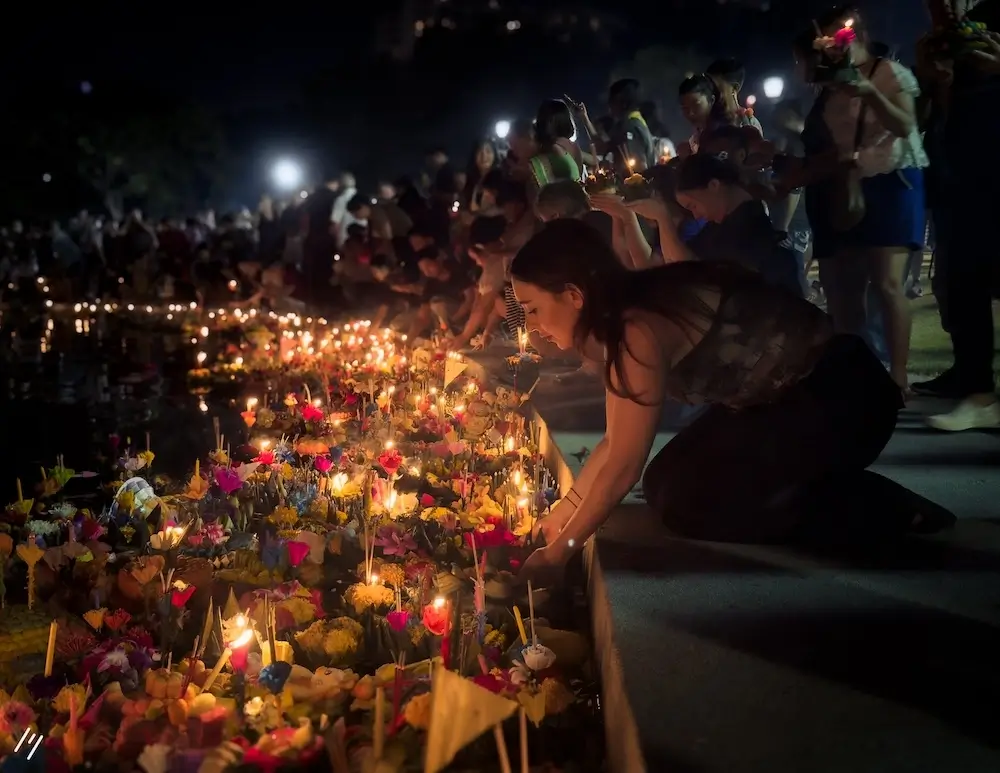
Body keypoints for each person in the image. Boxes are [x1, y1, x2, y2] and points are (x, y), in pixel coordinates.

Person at [510, 219, 954, 583]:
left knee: (695, 505)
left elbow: (624, 465)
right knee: (666, 482)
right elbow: (615, 441)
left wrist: (560, 553)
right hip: (772, 401)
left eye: (532, 309)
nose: (531, 327)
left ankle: (871, 506)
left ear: (573, 295)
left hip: (840, 398)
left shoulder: (636, 329)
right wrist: (564, 515)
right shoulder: (625, 314)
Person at [798, 6, 928, 394]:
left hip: (895, 179)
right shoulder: (832, 87)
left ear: (859, 34)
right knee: (850, 286)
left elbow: (905, 125)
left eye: (842, 34)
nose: (837, 43)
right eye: (829, 38)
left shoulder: (889, 72)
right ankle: (858, 373)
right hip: (855, 185)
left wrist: (869, 92)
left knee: (888, 283)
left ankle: (898, 378)